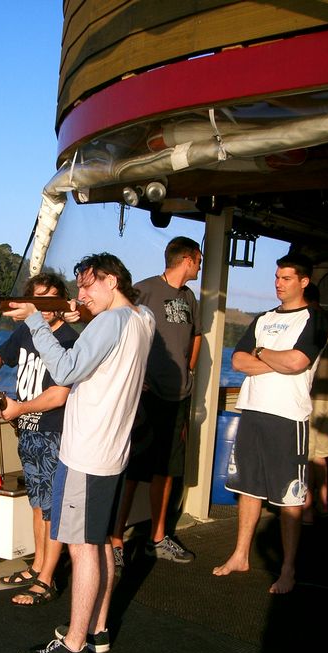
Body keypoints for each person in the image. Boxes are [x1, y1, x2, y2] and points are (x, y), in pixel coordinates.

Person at [4, 253, 155, 653]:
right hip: (112, 450)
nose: (82, 294)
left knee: (82, 547)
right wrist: (81, 316)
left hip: (86, 451)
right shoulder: (142, 318)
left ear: (112, 281)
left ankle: (73, 645)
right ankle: (99, 629)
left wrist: (37, 320)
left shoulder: (109, 321)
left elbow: (68, 368)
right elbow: (106, 349)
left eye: (88, 286)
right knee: (102, 539)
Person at [213, 253, 328, 593]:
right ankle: (240, 555)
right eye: (277, 277)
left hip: (287, 416)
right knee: (248, 488)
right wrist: (271, 358)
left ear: (303, 281)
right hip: (252, 410)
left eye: (286, 278)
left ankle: (288, 569)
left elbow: (297, 362)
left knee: (288, 497)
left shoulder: (314, 318)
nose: (279, 283)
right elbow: (237, 359)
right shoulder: (263, 318)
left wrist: (261, 353)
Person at [0, 273, 78, 605]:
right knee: (37, 504)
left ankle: (47, 580)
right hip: (29, 432)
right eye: (39, 299)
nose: (45, 307)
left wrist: (20, 408)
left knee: (52, 509)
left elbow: (59, 396)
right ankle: (38, 566)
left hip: (54, 432)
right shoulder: (24, 331)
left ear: (63, 300)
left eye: (51, 299)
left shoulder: (70, 340)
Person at [111, 236, 202, 568]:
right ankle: (116, 540)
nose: (200, 265)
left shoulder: (190, 297)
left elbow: (197, 337)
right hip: (147, 396)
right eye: (199, 259)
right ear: (188, 260)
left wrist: (188, 370)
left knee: (167, 469)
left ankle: (157, 538)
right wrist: (137, 374)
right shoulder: (146, 289)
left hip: (179, 396)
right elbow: (123, 332)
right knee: (134, 469)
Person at [302, 282, 328, 523]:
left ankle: (306, 506)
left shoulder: (308, 320)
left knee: (305, 453)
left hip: (311, 394)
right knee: (322, 453)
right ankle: (323, 503)